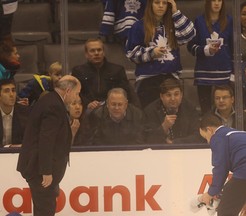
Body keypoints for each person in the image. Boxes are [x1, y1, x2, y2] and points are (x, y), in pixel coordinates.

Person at [17, 75, 81, 216]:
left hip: (38, 167)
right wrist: (46, 171)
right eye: (76, 93)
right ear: (68, 91)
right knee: (45, 210)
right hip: (39, 170)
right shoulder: (54, 106)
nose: (76, 98)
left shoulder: (50, 100)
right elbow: (46, 139)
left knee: (44, 209)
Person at [126, 0, 196, 108]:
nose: (161, 6)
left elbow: (190, 34)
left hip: (171, 77)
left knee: (172, 116)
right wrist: (151, 53)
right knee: (151, 117)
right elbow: (131, 53)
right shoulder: (138, 26)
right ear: (150, 4)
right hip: (148, 80)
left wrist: (175, 11)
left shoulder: (173, 24)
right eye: (157, 2)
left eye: (164, 3)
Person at [187, 0, 233, 114]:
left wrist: (234, 72)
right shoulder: (199, 20)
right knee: (206, 112)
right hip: (204, 74)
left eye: (219, 0)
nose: (217, 3)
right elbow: (191, 46)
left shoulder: (229, 20)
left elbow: (234, 48)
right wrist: (206, 50)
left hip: (224, 73)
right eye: (213, 0)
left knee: (224, 110)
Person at [72, 38, 137, 110]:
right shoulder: (78, 71)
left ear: (104, 52)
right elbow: (75, 94)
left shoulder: (117, 70)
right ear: (86, 54)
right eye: (92, 51)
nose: (96, 53)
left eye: (99, 50)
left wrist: (109, 103)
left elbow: (125, 93)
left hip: (112, 109)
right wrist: (87, 103)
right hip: (86, 109)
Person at [77, 88, 144, 146]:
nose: (116, 108)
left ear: (126, 104)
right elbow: (93, 142)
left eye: (120, 104)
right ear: (107, 104)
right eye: (113, 104)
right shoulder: (97, 116)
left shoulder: (137, 115)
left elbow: (140, 141)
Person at [144, 78, 202, 144]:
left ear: (181, 95)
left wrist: (175, 143)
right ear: (161, 96)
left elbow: (198, 136)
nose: (173, 98)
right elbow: (148, 139)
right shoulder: (151, 111)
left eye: (176, 94)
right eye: (168, 95)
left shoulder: (190, 109)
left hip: (184, 150)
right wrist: (164, 127)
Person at [0, 79, 29, 148]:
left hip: (17, 154)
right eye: (6, 91)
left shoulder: (25, 113)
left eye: (13, 90)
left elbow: (29, 140)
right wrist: (8, 147)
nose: (11, 94)